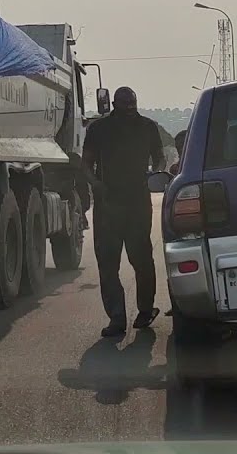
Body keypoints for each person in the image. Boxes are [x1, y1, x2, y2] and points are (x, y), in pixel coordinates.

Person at [81, 86, 166, 337]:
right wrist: (95, 184)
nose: (129, 109)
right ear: (115, 105)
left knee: (141, 258)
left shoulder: (148, 127)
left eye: (132, 105)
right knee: (108, 263)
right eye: (125, 105)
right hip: (108, 203)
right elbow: (86, 163)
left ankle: (145, 310)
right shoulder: (98, 130)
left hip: (138, 202)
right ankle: (117, 318)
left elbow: (159, 158)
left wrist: (154, 175)